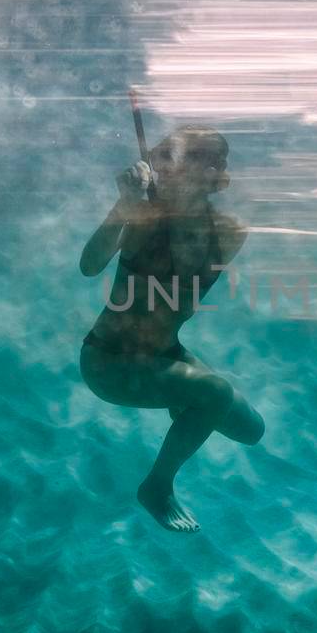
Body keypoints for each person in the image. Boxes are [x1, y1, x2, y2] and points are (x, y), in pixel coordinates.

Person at [78, 125, 265, 532]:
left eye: (177, 161)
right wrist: (122, 207)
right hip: (109, 361)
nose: (165, 171)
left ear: (210, 174)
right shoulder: (141, 216)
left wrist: (164, 215)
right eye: (164, 160)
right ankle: (157, 486)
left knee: (251, 429)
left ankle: (183, 397)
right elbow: (89, 265)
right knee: (213, 392)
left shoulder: (230, 232)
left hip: (164, 353)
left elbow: (182, 273)